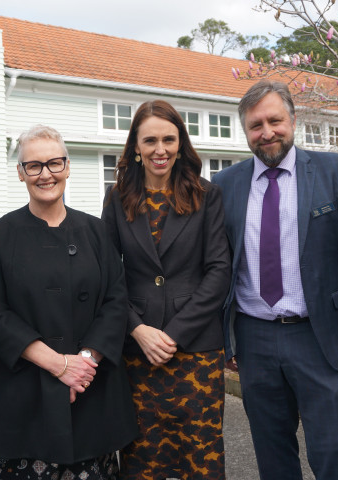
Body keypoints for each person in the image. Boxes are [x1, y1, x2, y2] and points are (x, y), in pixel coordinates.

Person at [0, 125, 138, 480]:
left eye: (54, 163)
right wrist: (56, 365)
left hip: (91, 389)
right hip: (27, 392)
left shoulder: (96, 232)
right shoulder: (1, 236)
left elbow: (115, 299)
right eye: (34, 166)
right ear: (20, 173)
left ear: (67, 166)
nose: (45, 174)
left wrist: (82, 364)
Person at [212, 80, 338, 480]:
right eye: (256, 125)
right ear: (246, 132)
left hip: (324, 338)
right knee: (273, 460)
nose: (267, 132)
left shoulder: (337, 172)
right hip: (255, 340)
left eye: (275, 120)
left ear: (293, 120)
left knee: (336, 456)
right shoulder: (224, 186)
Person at [101, 100, 231, 480]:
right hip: (138, 353)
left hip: (197, 351)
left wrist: (172, 334)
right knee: (143, 460)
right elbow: (108, 275)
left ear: (181, 143)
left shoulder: (207, 195)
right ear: (136, 148)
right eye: (151, 140)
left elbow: (219, 271)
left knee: (202, 459)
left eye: (169, 139)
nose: (161, 149)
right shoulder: (117, 196)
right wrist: (137, 329)